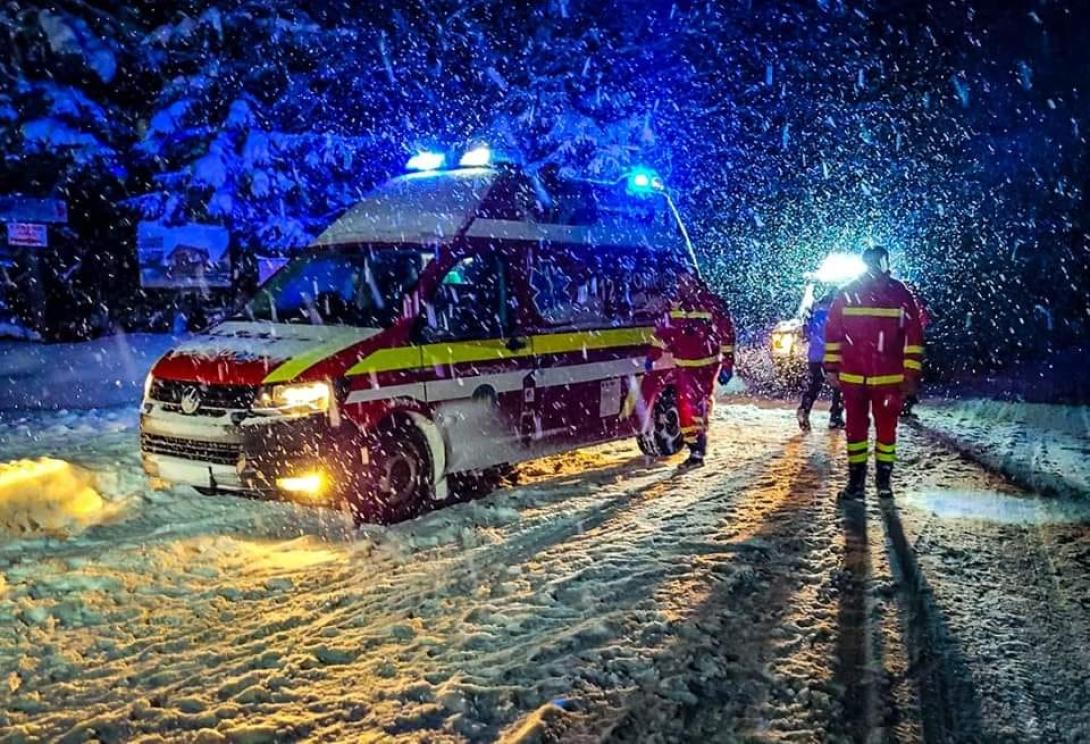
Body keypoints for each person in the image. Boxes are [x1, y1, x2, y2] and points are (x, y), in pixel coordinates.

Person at [824, 246, 924, 500]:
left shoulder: (847, 292)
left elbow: (832, 334)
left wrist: (831, 368)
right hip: (888, 379)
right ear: (885, 263)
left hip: (855, 378)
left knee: (856, 432)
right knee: (886, 431)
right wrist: (910, 373)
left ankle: (856, 485)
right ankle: (883, 484)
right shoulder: (900, 293)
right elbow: (914, 336)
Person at [646, 272, 733, 470]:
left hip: (707, 366)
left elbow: (727, 335)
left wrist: (727, 364)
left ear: (696, 283)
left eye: (687, 282)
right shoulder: (676, 306)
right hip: (685, 366)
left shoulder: (712, 305)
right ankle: (696, 450)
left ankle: (697, 451)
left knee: (697, 408)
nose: (683, 286)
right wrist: (653, 355)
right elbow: (664, 333)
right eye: (680, 282)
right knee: (687, 408)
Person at [797, 290, 845, 431]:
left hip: (815, 355)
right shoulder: (838, 311)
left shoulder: (815, 309)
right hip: (833, 354)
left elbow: (806, 332)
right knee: (839, 386)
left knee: (815, 385)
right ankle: (835, 417)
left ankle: (804, 409)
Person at [900, 283, 931, 420]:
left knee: (910, 377)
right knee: (909, 377)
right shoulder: (910, 303)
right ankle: (904, 405)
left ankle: (905, 405)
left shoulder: (907, 302)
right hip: (909, 347)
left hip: (910, 346)